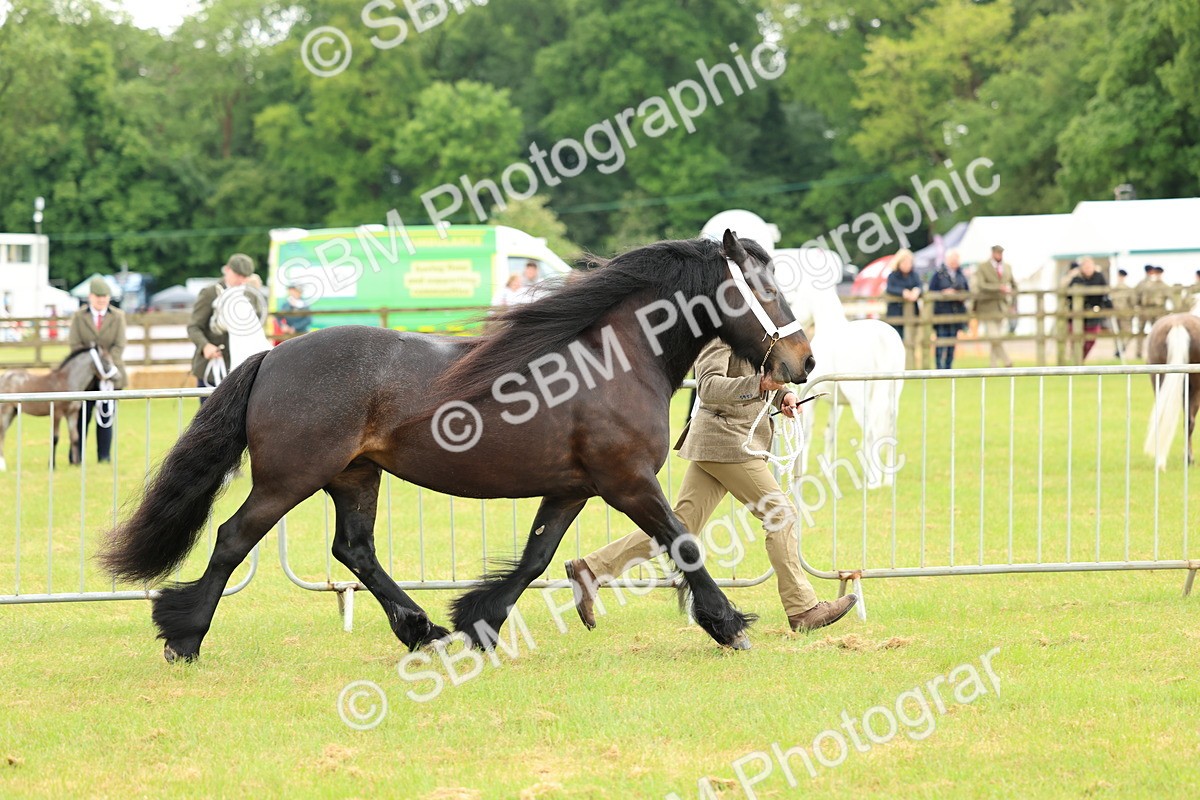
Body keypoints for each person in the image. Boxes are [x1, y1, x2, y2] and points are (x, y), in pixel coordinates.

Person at [564, 339, 858, 638]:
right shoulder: (720, 336)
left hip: (725, 442)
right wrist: (760, 385)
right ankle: (803, 608)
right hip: (726, 442)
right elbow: (709, 388)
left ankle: (591, 570)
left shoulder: (752, 331)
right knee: (781, 515)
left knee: (680, 528)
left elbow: (761, 382)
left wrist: (781, 395)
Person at [67, 277, 127, 464]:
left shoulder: (118, 316)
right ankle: (76, 457)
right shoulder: (79, 316)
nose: (102, 300)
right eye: (98, 297)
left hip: (110, 375)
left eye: (105, 297)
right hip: (85, 376)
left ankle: (104, 457)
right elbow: (75, 344)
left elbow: (119, 344)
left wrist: (106, 366)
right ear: (90, 297)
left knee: (106, 417)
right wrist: (91, 365)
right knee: (81, 418)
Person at [188, 253, 261, 399]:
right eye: (238, 274)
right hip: (214, 367)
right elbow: (194, 327)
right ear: (227, 270)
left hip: (241, 368)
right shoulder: (210, 293)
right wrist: (206, 346)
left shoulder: (251, 295)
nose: (242, 280)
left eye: (245, 276)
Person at [974, 245, 1018, 367]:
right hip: (987, 306)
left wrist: (1013, 301)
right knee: (994, 336)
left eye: (1001, 253)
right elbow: (981, 285)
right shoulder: (983, 267)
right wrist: (998, 288)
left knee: (996, 338)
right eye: (997, 253)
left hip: (1001, 306)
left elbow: (1014, 285)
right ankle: (1007, 360)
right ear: (993, 253)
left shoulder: (1007, 267)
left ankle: (993, 365)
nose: (999, 255)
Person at [1061, 257, 1111, 361]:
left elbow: (1105, 292)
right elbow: (1068, 294)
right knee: (1075, 338)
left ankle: (1081, 357)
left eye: (1090, 267)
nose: (1088, 269)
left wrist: (1107, 304)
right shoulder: (1076, 278)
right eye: (1086, 267)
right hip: (1077, 314)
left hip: (1093, 313)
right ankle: (1076, 358)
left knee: (1091, 339)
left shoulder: (1099, 277)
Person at [927, 249, 970, 369]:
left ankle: (948, 366)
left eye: (956, 260)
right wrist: (943, 293)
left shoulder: (961, 274)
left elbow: (967, 292)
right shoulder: (938, 274)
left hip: (956, 313)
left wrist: (959, 295)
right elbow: (931, 291)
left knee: (952, 342)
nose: (955, 262)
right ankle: (939, 367)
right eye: (953, 260)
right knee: (941, 341)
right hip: (941, 313)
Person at [1133, 264, 1171, 358]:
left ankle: (1158, 351)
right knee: (1140, 332)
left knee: (1158, 332)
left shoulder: (1163, 285)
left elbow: (1170, 297)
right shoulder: (1144, 283)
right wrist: (1137, 305)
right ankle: (1138, 353)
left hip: (1158, 310)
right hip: (1144, 309)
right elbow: (1136, 294)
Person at [884, 248, 921, 341]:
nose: (907, 265)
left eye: (909, 262)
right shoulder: (893, 276)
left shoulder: (914, 275)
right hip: (895, 312)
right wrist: (903, 292)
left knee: (911, 339)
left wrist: (917, 290)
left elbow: (920, 285)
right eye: (904, 262)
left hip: (912, 313)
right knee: (896, 339)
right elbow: (890, 288)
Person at [1109, 269, 1134, 358]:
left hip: (1126, 314)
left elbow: (1132, 302)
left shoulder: (1128, 289)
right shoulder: (1113, 289)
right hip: (1115, 314)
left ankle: (1121, 348)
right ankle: (1118, 350)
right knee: (1116, 333)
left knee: (1128, 333)